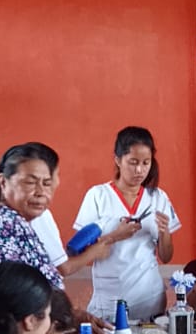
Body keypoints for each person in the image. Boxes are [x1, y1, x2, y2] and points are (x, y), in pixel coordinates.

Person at [0, 143, 111, 296]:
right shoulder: (2, 227)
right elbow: (15, 299)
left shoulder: (16, 222)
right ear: (3, 182)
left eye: (47, 183)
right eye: (30, 183)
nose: (41, 192)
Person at [74, 126, 182, 322]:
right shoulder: (98, 195)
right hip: (110, 299)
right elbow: (80, 251)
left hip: (149, 297)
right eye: (133, 162)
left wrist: (164, 232)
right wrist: (115, 236)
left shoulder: (158, 197)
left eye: (146, 163)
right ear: (118, 160)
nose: (139, 170)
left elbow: (166, 257)